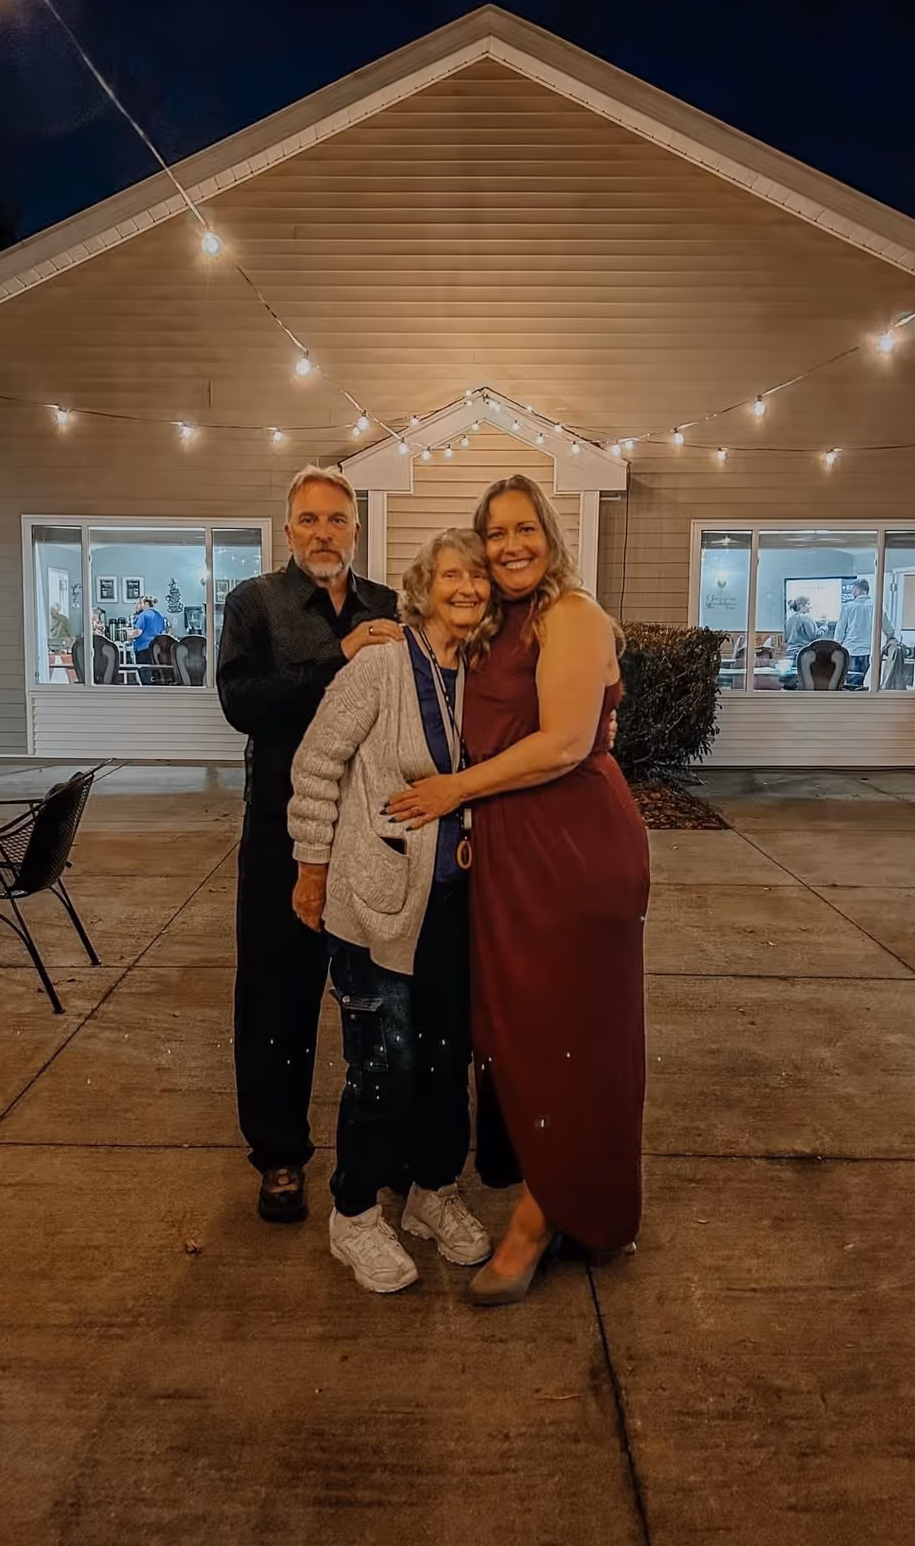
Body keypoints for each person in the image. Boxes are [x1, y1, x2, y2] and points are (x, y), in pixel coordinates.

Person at [388, 473, 649, 1306]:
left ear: (550, 534)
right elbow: (434, 653)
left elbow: (566, 742)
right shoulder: (498, 620)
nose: (509, 546)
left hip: (572, 845)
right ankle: (568, 1192)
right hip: (510, 850)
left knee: (572, 1032)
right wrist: (373, 637)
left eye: (524, 529)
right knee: (517, 1028)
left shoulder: (570, 614)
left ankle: (542, 1218)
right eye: (494, 532)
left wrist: (453, 792)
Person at [288, 530, 494, 1292]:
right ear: (423, 586)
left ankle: (430, 1193)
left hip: (458, 905)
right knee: (386, 1066)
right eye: (452, 576)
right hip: (375, 902)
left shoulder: (481, 671)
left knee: (447, 1065)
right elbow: (315, 766)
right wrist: (311, 871)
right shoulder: (379, 666)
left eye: (478, 577)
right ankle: (354, 1214)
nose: (468, 588)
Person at [217, 465, 400, 1223]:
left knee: (381, 1000)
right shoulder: (254, 603)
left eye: (336, 519)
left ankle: (382, 1150)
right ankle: (280, 1156)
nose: (323, 532)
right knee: (276, 999)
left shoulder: (388, 605)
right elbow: (241, 705)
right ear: (287, 529)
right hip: (280, 833)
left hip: (374, 832)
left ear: (355, 529)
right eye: (308, 520)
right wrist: (339, 657)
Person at [834, 577, 894, 680]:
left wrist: (836, 647)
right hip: (870, 652)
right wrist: (890, 639)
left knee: (851, 682)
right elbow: (889, 629)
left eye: (853, 589)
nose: (852, 591)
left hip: (851, 651)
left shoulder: (848, 607)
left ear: (858, 590)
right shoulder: (877, 606)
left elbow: (840, 632)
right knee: (866, 682)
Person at [128, 595, 167, 685]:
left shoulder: (143, 615)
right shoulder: (160, 616)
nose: (137, 606)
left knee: (145, 677)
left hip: (143, 649)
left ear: (145, 604)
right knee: (156, 676)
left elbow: (138, 632)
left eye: (139, 603)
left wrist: (129, 634)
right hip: (157, 650)